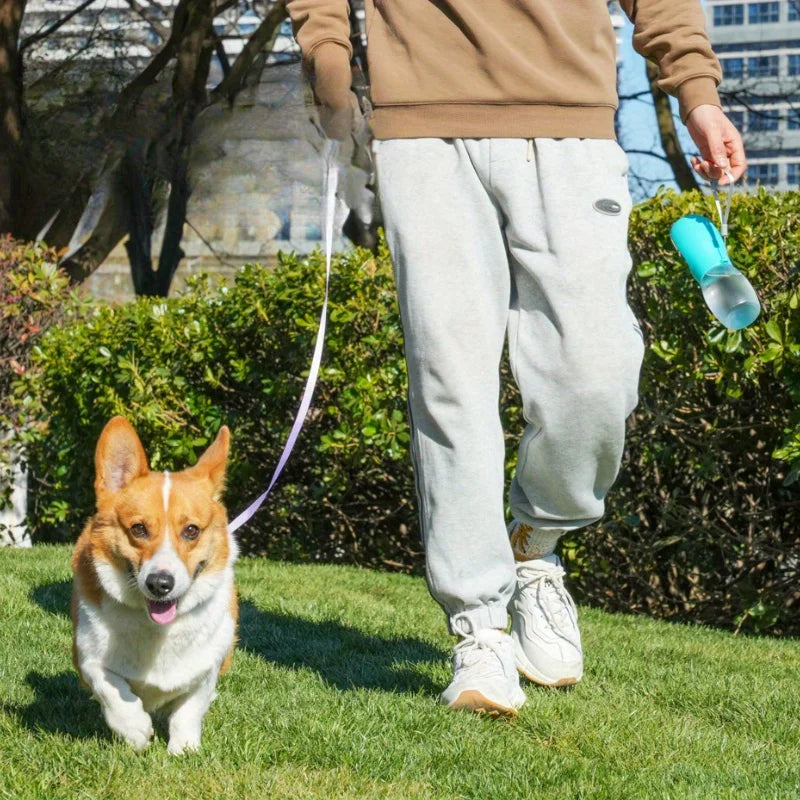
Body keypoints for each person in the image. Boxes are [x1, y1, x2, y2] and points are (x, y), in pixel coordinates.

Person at [287, 0, 747, 715]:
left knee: (594, 378)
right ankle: (479, 628)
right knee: (450, 380)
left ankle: (536, 544)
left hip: (570, 119)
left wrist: (696, 92)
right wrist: (330, 69)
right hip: (423, 122)